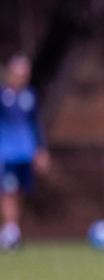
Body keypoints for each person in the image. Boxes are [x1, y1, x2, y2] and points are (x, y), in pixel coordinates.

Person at [0, 53, 50, 252]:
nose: (22, 78)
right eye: (19, 73)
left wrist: (41, 150)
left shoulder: (30, 96)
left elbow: (36, 124)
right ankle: (11, 231)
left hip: (26, 153)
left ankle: (10, 230)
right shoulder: (3, 96)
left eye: (25, 74)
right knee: (8, 192)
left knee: (19, 192)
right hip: (7, 154)